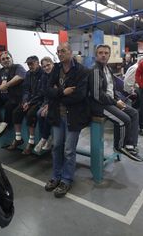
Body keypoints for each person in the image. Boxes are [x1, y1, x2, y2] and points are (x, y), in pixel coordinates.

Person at [44, 42, 90, 198]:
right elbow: (48, 90)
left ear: (70, 52)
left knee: (69, 150)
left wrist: (58, 94)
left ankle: (66, 179)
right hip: (58, 115)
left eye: (63, 51)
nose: (60, 54)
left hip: (73, 117)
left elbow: (79, 95)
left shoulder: (82, 71)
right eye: (58, 51)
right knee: (57, 146)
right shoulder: (56, 69)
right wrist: (63, 92)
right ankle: (56, 176)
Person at [89, 44, 143, 162]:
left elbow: (111, 88)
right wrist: (115, 102)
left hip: (110, 102)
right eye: (100, 53)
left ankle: (130, 145)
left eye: (106, 53)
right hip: (99, 105)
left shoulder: (108, 68)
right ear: (96, 55)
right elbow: (97, 95)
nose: (103, 55)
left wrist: (117, 99)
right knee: (124, 120)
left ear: (109, 55)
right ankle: (119, 146)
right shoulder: (95, 70)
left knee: (133, 113)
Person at [8, 55, 46, 154]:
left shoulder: (43, 74)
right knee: (16, 112)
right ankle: (18, 138)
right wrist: (25, 101)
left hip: (39, 101)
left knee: (31, 114)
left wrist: (29, 103)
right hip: (28, 101)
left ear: (37, 63)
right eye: (28, 64)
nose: (29, 66)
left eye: (32, 63)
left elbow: (41, 93)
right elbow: (25, 90)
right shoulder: (28, 74)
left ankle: (31, 141)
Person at [0, 51, 26, 137]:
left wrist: (6, 85)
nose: (6, 60)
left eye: (7, 58)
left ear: (11, 59)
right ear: (0, 62)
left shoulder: (18, 67)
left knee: (9, 105)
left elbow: (20, 77)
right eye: (3, 59)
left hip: (14, 96)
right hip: (1, 96)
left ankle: (6, 125)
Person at [34, 57, 54, 153]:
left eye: (48, 65)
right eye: (44, 66)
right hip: (47, 101)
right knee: (39, 113)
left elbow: (57, 93)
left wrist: (49, 105)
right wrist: (45, 104)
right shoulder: (44, 77)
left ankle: (44, 139)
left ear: (52, 64)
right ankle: (47, 137)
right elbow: (44, 92)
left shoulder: (57, 75)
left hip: (56, 102)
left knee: (47, 115)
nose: (46, 68)